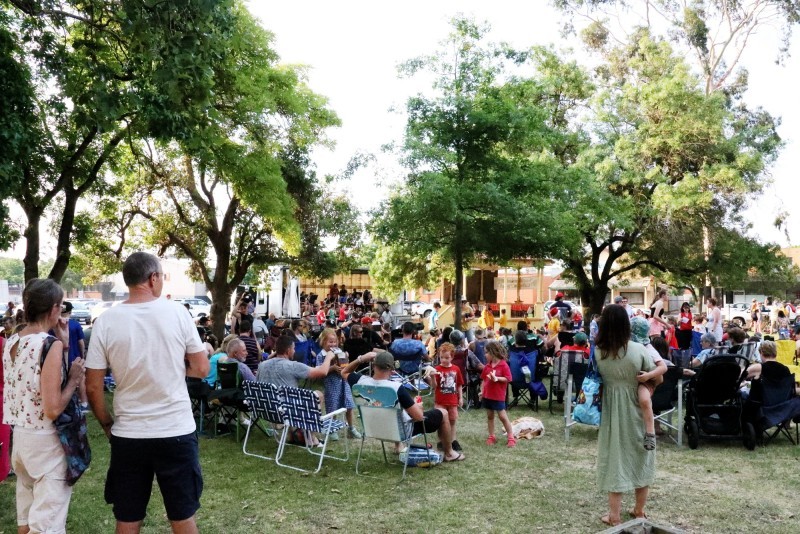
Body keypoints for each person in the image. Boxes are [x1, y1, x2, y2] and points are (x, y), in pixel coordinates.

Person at [85, 252, 209, 534]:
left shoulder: (105, 321)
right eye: (162, 276)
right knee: (182, 515)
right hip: (175, 430)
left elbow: (93, 385)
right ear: (153, 278)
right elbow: (202, 368)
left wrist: (107, 424)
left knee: (127, 518)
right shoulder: (177, 312)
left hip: (129, 434)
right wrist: (174, 370)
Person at [3, 279, 85, 533]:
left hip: (21, 439)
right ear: (53, 309)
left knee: (27, 521)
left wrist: (64, 345)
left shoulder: (13, 341)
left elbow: (36, 379)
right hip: (46, 441)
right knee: (46, 525)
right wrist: (73, 380)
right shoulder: (48, 345)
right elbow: (52, 408)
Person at [340, 351, 465, 462]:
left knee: (393, 413)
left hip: (372, 429)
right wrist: (417, 405)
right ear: (392, 368)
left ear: (374, 365)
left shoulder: (360, 382)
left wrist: (361, 358)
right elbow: (418, 417)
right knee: (442, 413)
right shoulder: (395, 388)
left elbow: (344, 371)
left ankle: (398, 446)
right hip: (400, 432)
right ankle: (449, 453)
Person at [594, 304, 656, 527]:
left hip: (611, 408)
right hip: (637, 407)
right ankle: (639, 510)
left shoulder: (598, 352)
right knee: (642, 455)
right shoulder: (639, 350)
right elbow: (655, 378)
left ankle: (614, 515)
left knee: (615, 457)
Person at [315, 328, 361, 440]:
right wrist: (332, 368)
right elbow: (320, 372)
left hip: (344, 383)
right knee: (333, 408)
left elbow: (346, 367)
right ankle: (331, 429)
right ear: (323, 342)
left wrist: (346, 359)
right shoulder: (321, 355)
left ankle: (351, 428)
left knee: (349, 406)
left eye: (335, 341)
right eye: (330, 342)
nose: (333, 344)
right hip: (331, 385)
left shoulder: (339, 352)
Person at [630, 317, 668, 450]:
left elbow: (663, 367)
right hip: (630, 381)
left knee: (645, 400)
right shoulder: (626, 345)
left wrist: (648, 376)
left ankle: (650, 433)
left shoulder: (648, 347)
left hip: (646, 381)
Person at [257, 335, 337, 388]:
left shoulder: (262, 365)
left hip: (266, 409)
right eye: (293, 348)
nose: (294, 351)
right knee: (319, 395)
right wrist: (328, 357)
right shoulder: (293, 366)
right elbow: (322, 372)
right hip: (288, 410)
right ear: (288, 351)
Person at [428, 342, 464, 451]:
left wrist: (461, 397)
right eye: (441, 357)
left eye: (447, 358)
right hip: (440, 401)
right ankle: (441, 440)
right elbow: (434, 386)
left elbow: (459, 385)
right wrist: (432, 377)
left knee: (452, 421)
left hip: (452, 401)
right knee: (441, 422)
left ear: (452, 357)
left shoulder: (456, 369)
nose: (443, 360)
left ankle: (453, 440)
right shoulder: (437, 369)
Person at [481, 341, 515, 448]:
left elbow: (508, 378)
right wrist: (482, 391)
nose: (485, 355)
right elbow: (483, 380)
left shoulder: (503, 365)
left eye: (486, 352)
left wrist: (497, 379)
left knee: (502, 416)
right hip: (487, 395)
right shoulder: (487, 366)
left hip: (498, 396)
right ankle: (491, 436)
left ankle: (511, 437)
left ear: (493, 352)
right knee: (490, 416)